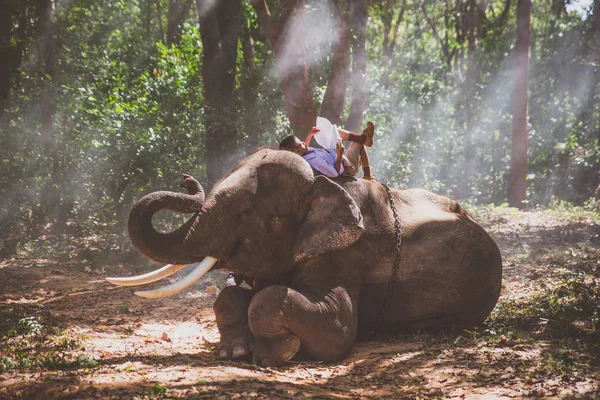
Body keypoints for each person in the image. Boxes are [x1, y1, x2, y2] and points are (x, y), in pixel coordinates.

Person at [279, 118, 377, 181]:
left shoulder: (305, 154)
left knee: (332, 130)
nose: (304, 143)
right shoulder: (315, 161)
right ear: (296, 151)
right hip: (347, 167)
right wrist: (339, 155)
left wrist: (310, 134)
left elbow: (305, 147)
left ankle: (363, 138)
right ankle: (368, 176)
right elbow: (334, 173)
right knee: (359, 145)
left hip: (337, 156)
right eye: (301, 144)